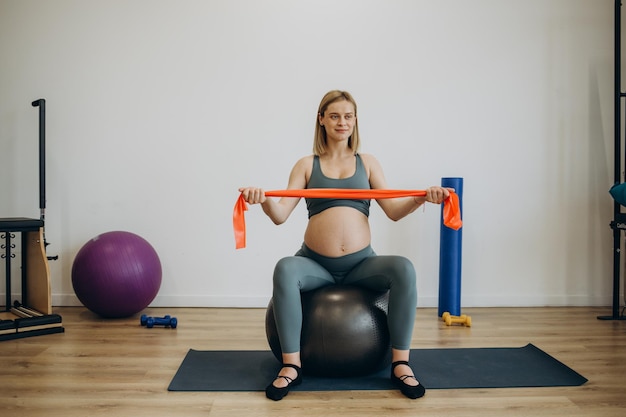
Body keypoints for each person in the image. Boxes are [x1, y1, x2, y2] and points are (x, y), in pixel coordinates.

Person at [239, 90, 450, 401]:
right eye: (334, 115)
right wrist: (263, 201)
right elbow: (280, 215)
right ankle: (291, 367)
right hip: (315, 264)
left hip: (361, 264)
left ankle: (401, 363)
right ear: (321, 119)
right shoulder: (306, 165)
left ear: (355, 121)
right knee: (285, 268)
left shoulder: (368, 163)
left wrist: (421, 198)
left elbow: (392, 211)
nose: (342, 122)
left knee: (403, 268)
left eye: (348, 116)